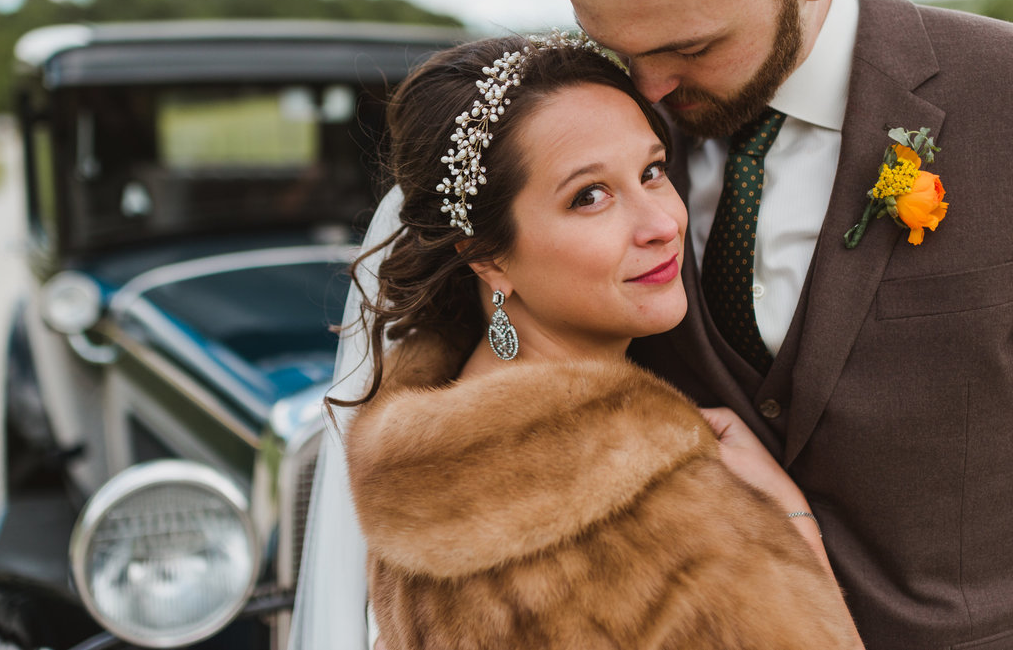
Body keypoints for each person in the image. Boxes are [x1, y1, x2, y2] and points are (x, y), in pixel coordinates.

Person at [291, 0, 1013, 648]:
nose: (651, 86)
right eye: (611, 43)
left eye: (692, 47)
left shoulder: (1000, 102)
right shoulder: (588, 119)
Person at [345, 33, 861, 648]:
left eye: (652, 171)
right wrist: (789, 519)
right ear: (488, 258)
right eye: (590, 196)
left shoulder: (430, 466)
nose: (662, 224)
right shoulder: (663, 519)